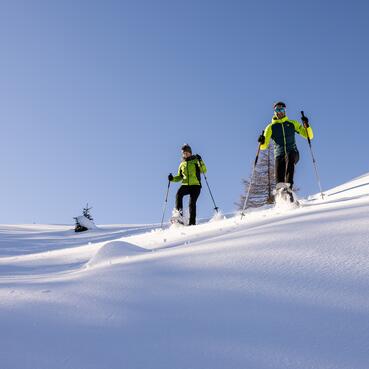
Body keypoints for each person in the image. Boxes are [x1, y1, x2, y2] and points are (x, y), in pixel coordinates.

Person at [258, 101, 314, 191]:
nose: (280, 111)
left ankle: (289, 187)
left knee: (289, 156)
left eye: (282, 109)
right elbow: (263, 146)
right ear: (274, 112)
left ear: (285, 111)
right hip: (279, 155)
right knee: (279, 180)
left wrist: (307, 125)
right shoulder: (270, 127)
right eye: (277, 109)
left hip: (293, 153)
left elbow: (309, 136)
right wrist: (262, 141)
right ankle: (282, 197)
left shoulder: (292, 123)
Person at [168, 144, 207, 225]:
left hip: (196, 186)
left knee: (191, 204)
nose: (185, 154)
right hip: (186, 185)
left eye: (186, 152)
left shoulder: (196, 161)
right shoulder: (182, 164)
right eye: (184, 153)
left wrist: (200, 161)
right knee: (178, 194)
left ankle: (192, 223)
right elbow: (179, 177)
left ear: (190, 152)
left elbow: (203, 170)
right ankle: (179, 216)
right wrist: (172, 179)